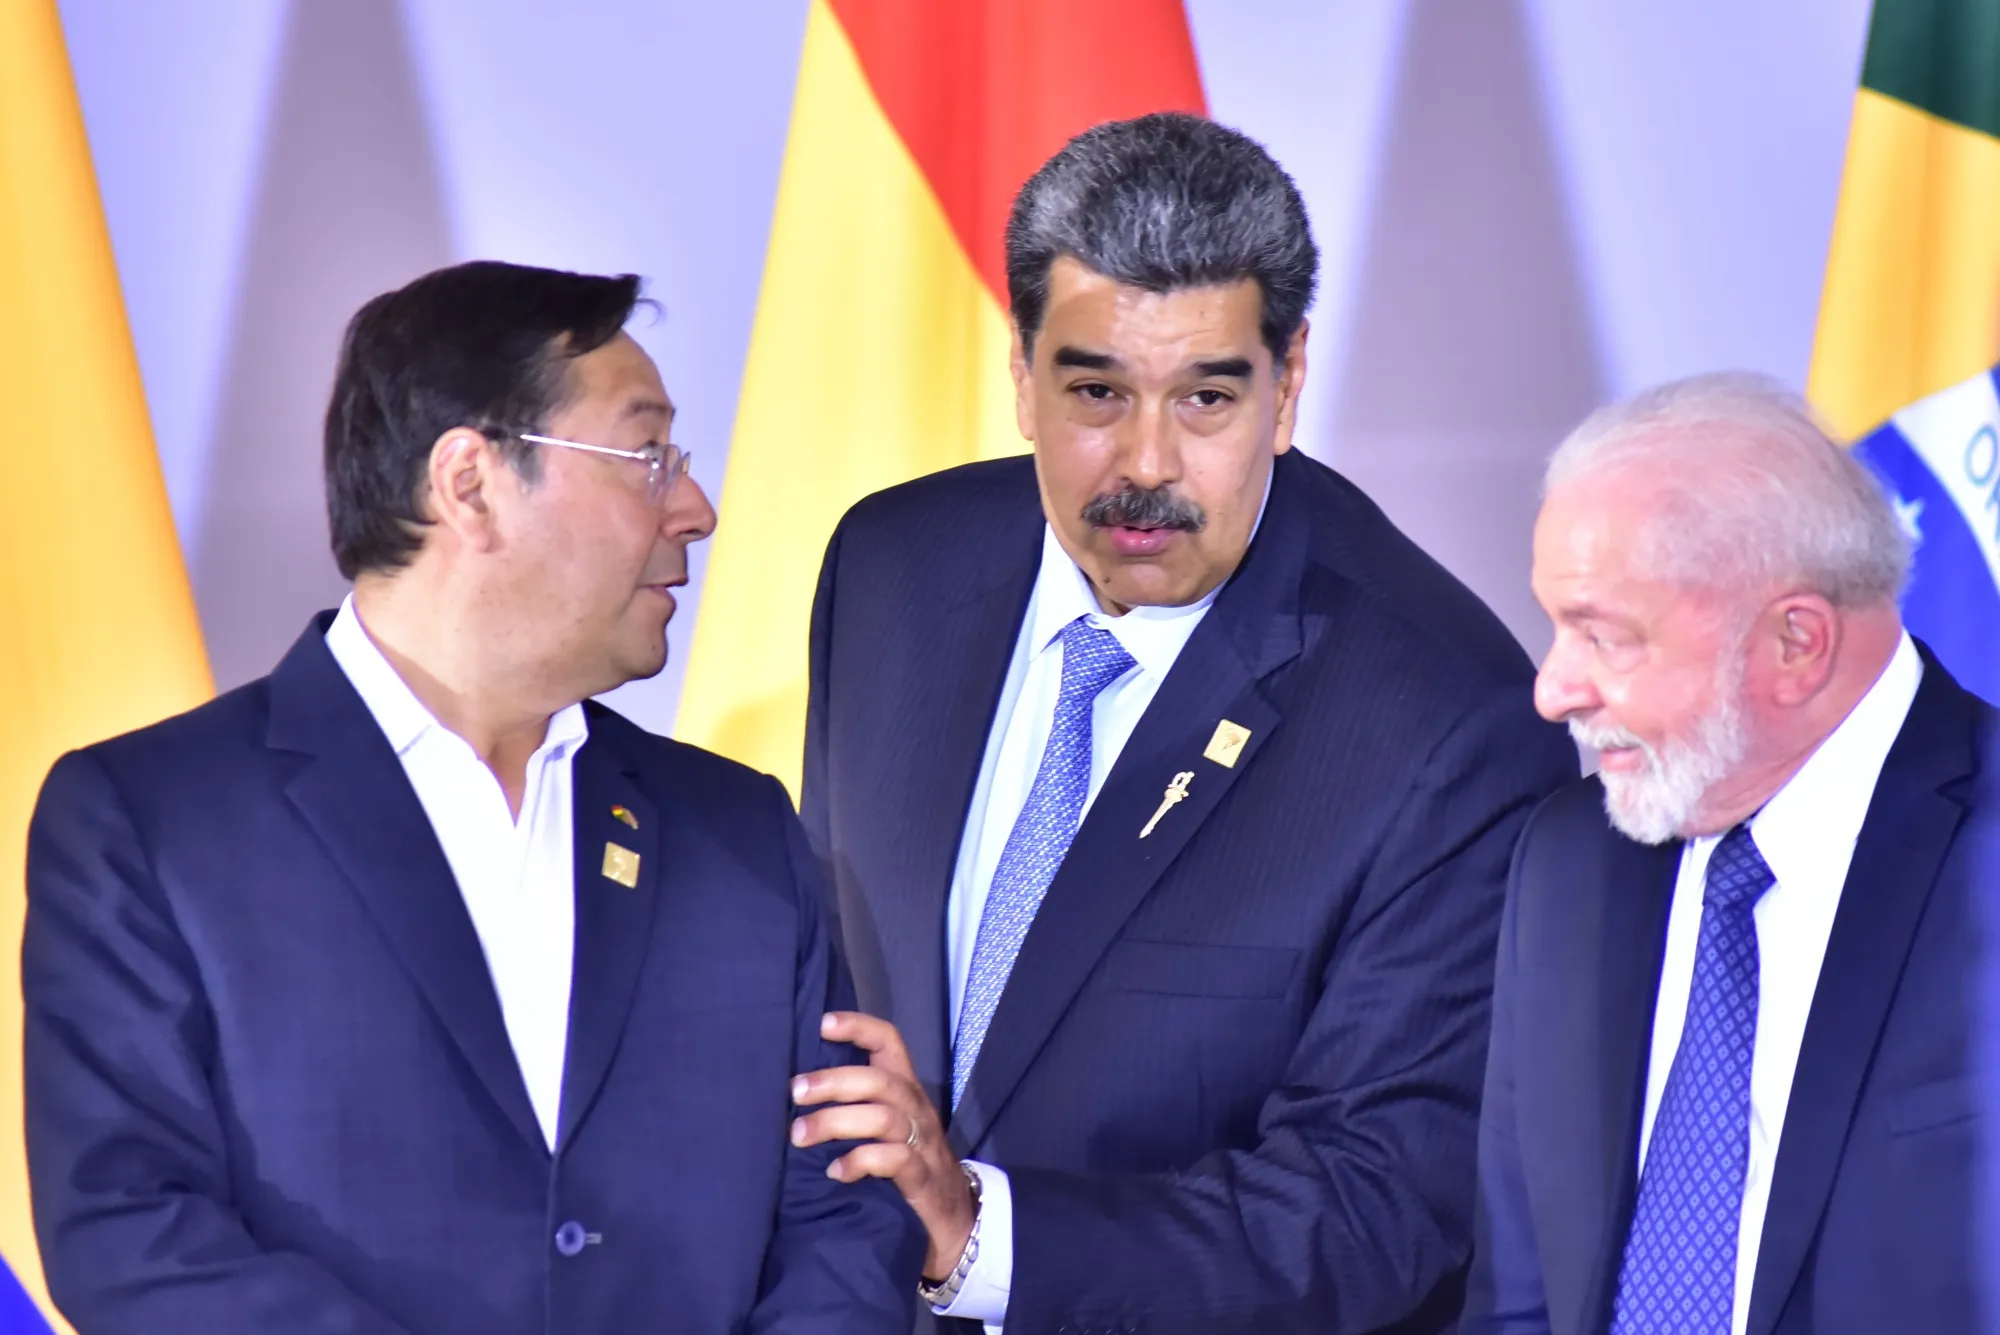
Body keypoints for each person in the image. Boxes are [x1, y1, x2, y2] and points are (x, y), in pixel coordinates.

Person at [24, 260, 921, 1334]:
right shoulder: (150, 821)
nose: (693, 507)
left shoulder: (735, 833)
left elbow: (842, 1219)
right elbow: (133, 1239)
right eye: (645, 456)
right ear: (469, 482)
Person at [789, 112, 1576, 1334]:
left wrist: (978, 1235)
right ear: (1018, 372)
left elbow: (1373, 1207)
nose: (1145, 464)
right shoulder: (890, 569)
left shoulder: (1444, 723)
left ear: (1288, 384)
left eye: (1206, 397)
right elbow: (833, 1007)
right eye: (1095, 391)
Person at [1463, 373, 1995, 1335]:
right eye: (1555, 626)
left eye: (1603, 635)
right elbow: (1517, 1301)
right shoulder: (1569, 865)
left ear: (1796, 642)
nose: (1552, 691)